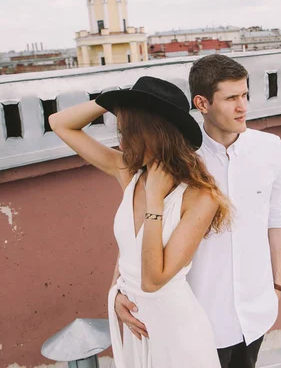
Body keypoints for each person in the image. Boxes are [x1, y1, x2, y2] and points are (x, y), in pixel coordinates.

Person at [114, 55, 281, 368]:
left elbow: (278, 217)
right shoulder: (179, 162)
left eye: (245, 95)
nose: (243, 107)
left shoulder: (271, 148)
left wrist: (277, 286)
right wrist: (118, 288)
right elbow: (139, 226)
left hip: (255, 312)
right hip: (197, 318)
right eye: (232, 98)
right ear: (202, 103)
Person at [48, 76, 229, 368]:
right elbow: (59, 123)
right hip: (137, 324)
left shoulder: (200, 197)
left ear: (155, 134)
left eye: (128, 132)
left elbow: (153, 280)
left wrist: (155, 201)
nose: (120, 142)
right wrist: (116, 292)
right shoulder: (129, 173)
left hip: (177, 334)